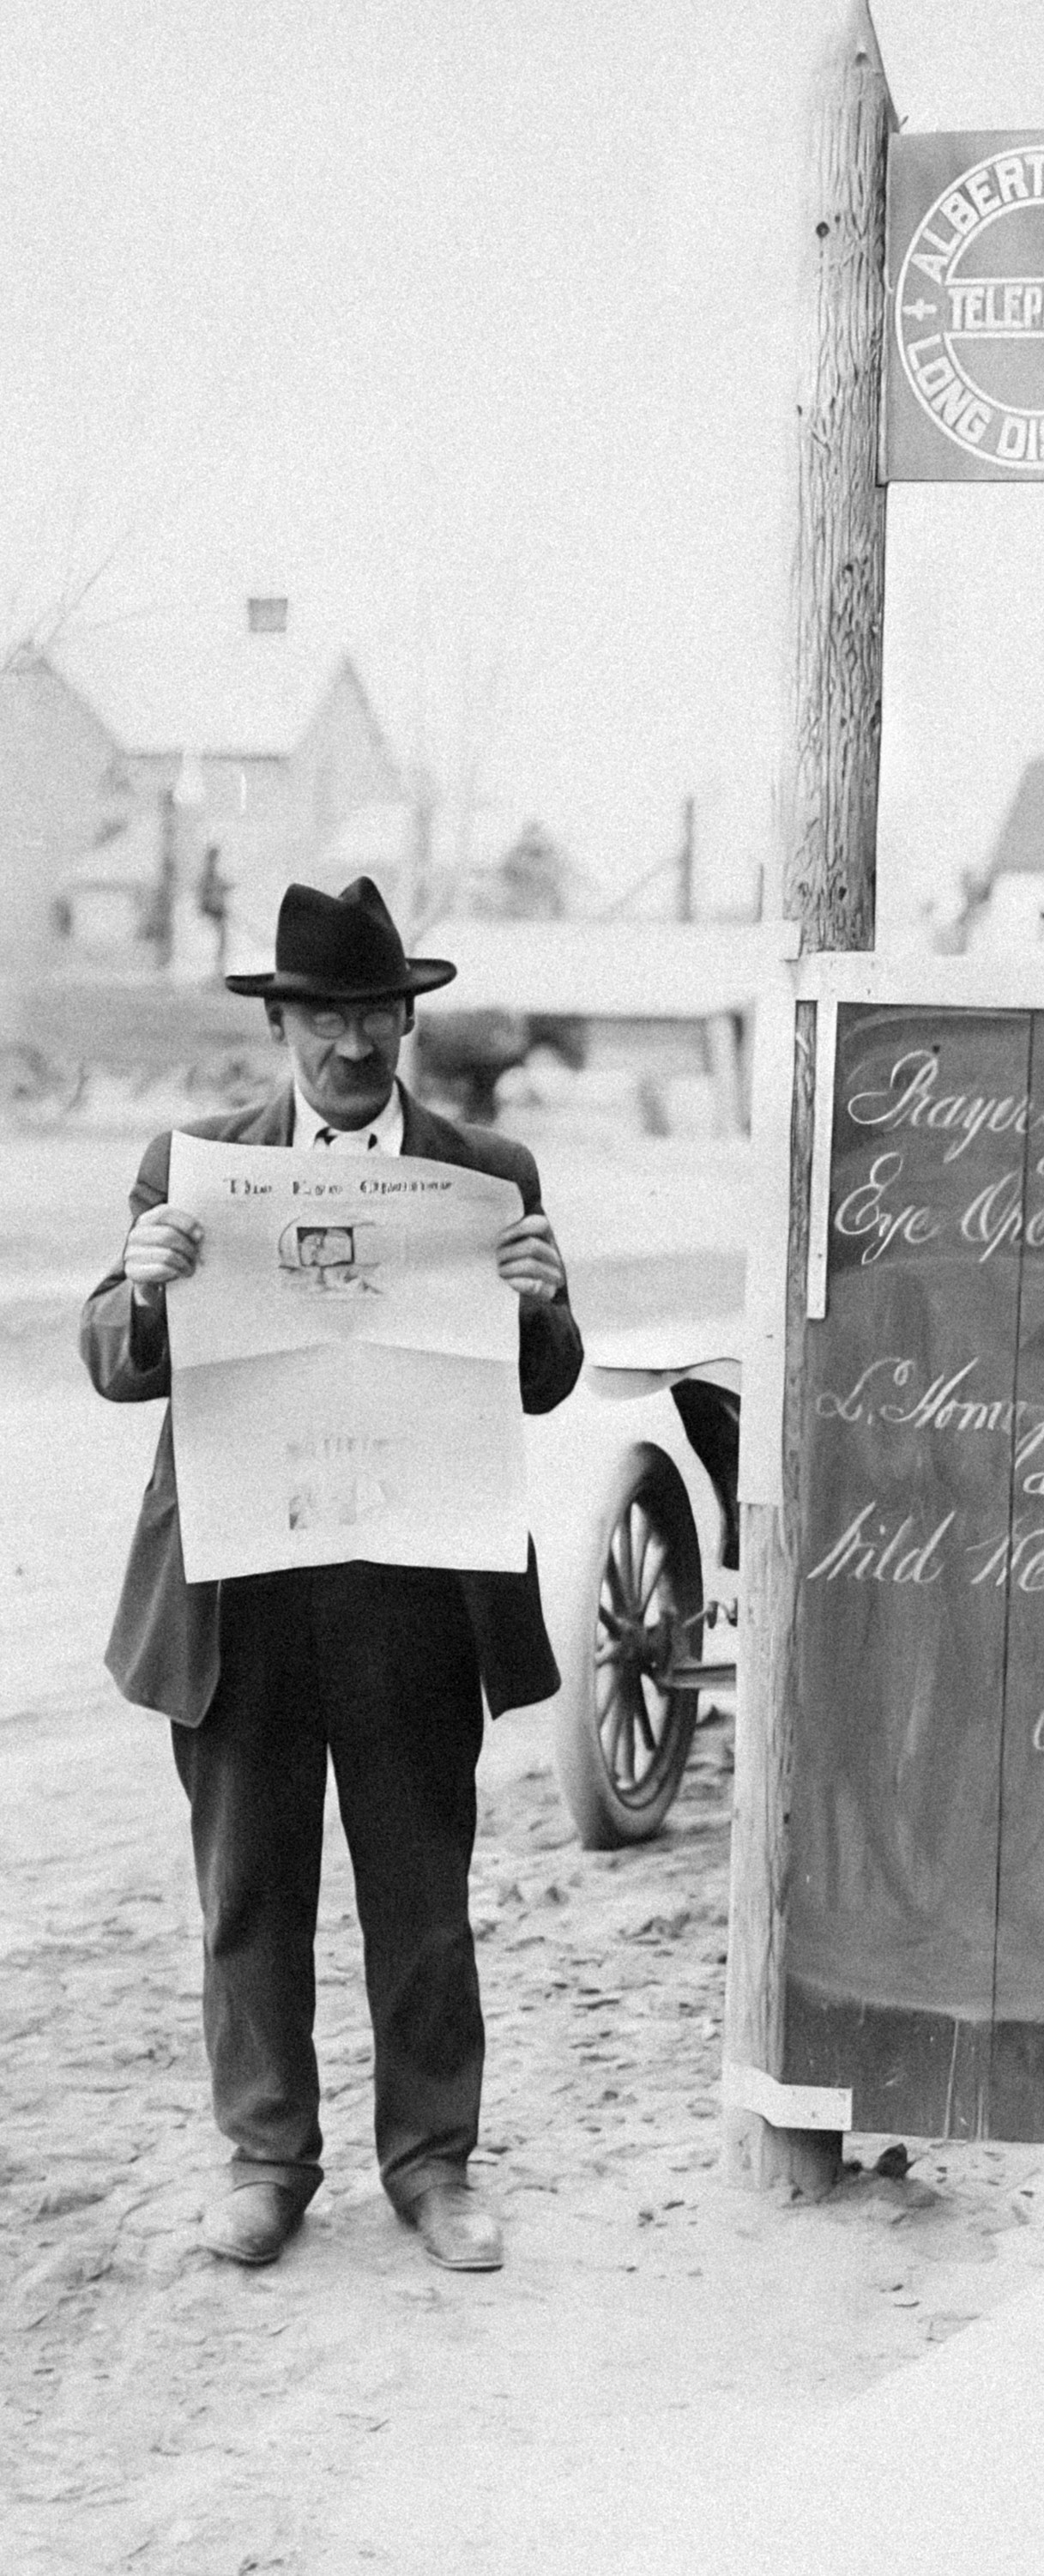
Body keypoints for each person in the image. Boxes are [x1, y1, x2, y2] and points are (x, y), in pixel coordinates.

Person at [81, 876, 583, 2266]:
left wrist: (545, 1301)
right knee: (250, 1887)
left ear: (409, 1018)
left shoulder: (487, 1175)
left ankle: (433, 2163)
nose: (354, 1046)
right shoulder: (194, 1166)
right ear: (282, 1024)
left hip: (410, 1590)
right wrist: (145, 1284)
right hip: (242, 1588)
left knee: (421, 1893)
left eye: (379, 1014)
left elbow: (539, 1384)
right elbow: (113, 1361)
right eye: (327, 1018)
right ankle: (266, 2157)